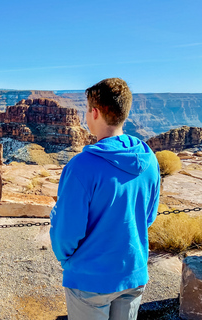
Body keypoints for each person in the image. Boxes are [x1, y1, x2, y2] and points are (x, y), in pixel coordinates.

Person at [49, 78, 160, 320]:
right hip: (133, 273)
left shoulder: (81, 167)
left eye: (86, 110)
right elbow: (148, 216)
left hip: (90, 279)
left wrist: (68, 261)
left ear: (95, 112)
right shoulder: (150, 159)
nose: (85, 116)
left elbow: (66, 232)